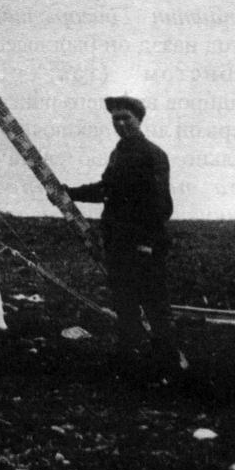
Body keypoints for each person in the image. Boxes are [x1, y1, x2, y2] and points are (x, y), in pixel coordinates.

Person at [65, 96, 183, 383]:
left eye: (125, 118)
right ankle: (129, 364)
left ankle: (169, 367)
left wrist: (146, 243)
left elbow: (162, 205)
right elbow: (108, 189)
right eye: (115, 119)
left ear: (139, 119)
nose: (120, 123)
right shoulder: (118, 153)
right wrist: (70, 193)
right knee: (125, 306)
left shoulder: (152, 154)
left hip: (143, 246)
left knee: (155, 307)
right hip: (119, 245)